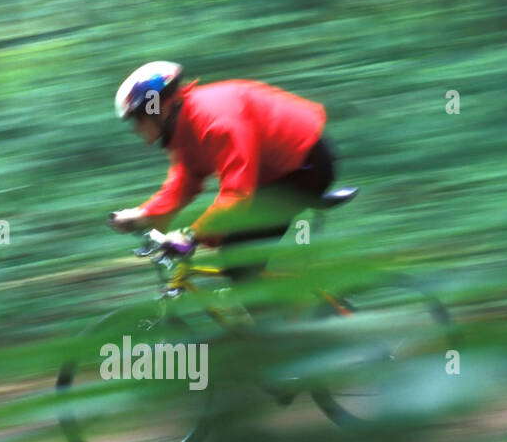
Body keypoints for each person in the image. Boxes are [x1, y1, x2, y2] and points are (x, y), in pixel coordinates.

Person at [110, 61, 338, 279]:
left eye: (137, 119)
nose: (136, 128)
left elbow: (237, 195)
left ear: (156, 109)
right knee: (238, 254)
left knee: (238, 259)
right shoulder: (185, 126)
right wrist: (144, 214)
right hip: (272, 176)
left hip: (304, 167)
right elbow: (186, 179)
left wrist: (191, 236)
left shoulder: (215, 121)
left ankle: (284, 319)